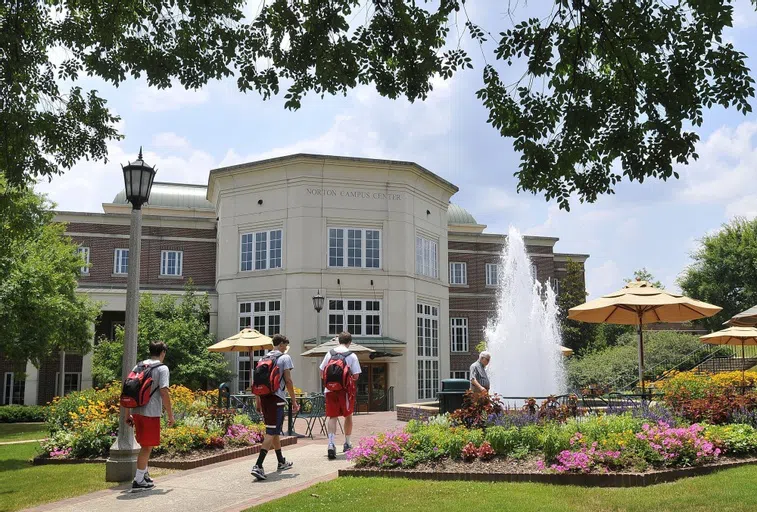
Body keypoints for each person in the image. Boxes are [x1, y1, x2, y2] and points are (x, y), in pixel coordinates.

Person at [125, 341, 174, 491]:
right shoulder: (162, 368)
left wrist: (128, 414)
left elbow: (128, 389)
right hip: (151, 412)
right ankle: (139, 480)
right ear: (163, 352)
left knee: (145, 445)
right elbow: (164, 391)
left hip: (136, 411)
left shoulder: (139, 366)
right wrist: (171, 415)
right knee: (147, 447)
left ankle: (144, 474)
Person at [251, 334, 300, 481]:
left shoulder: (262, 359)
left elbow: (257, 382)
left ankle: (281, 461)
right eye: (285, 345)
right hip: (277, 399)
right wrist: (294, 401)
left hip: (265, 398)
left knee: (274, 429)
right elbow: (289, 381)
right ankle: (258, 465)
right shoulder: (284, 358)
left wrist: (258, 401)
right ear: (281, 344)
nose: (286, 348)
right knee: (271, 432)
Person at [320, 331, 361, 460]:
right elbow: (356, 375)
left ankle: (331, 443)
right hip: (345, 392)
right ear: (350, 342)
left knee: (332, 417)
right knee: (348, 416)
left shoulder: (330, 353)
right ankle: (347, 443)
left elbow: (322, 372)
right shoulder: (352, 355)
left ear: (338, 341)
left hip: (330, 390)